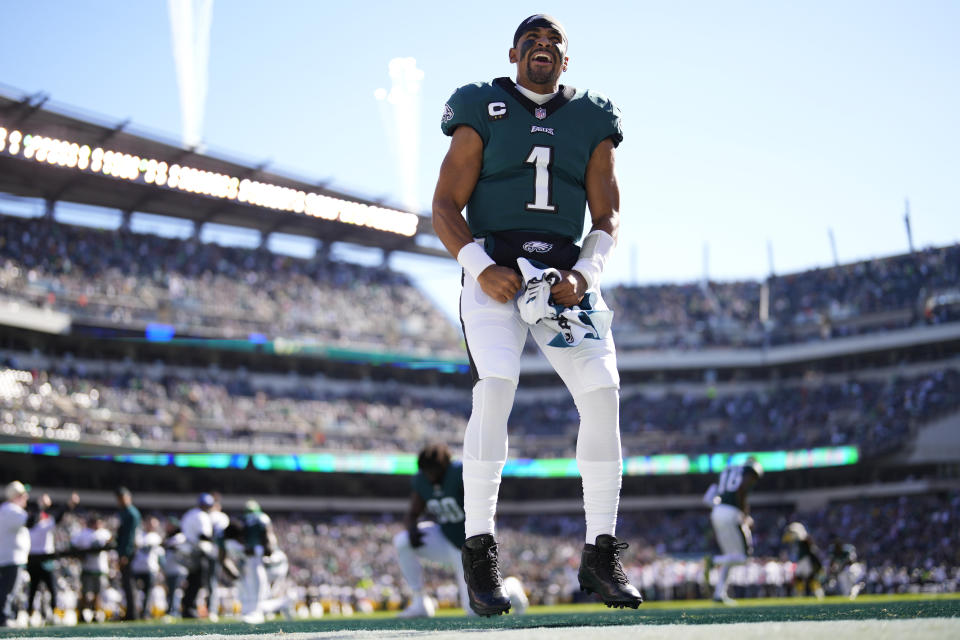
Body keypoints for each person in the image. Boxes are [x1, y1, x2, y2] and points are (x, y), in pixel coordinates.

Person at [431, 14, 640, 615]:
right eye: (532, 40)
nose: (542, 46)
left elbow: (607, 217)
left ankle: (601, 554)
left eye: (554, 42)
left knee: (603, 393)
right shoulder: (481, 104)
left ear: (566, 61)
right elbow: (445, 203)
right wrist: (477, 264)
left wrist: (584, 275)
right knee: (494, 388)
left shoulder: (594, 117)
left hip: (562, 277)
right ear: (514, 52)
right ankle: (479, 551)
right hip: (497, 265)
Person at [394, 443, 527, 618]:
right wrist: (411, 529)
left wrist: (482, 545)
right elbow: (412, 513)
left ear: (444, 466)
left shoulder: (460, 473)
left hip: (470, 545)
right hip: (446, 537)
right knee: (402, 541)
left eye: (433, 470)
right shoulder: (421, 480)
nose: (430, 475)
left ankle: (511, 588)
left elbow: (485, 507)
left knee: (474, 609)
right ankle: (420, 602)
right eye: (426, 471)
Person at [703, 457, 763, 604]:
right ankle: (712, 561)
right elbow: (741, 490)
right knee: (744, 558)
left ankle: (719, 593)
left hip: (717, 512)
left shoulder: (729, 470)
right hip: (732, 514)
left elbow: (708, 497)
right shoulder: (746, 472)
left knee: (730, 557)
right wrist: (745, 515)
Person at [26, 491, 79, 625]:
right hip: (38, 559)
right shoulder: (37, 524)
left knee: (45, 588)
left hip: (40, 559)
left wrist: (68, 505)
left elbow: (57, 515)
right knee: (41, 589)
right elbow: (57, 515)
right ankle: (34, 614)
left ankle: (47, 613)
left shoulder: (39, 524)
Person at [70, 513, 112, 623]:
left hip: (101, 568)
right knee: (85, 594)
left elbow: (111, 542)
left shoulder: (104, 533)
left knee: (98, 594)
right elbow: (73, 545)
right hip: (87, 567)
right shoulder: (83, 533)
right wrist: (79, 555)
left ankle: (96, 613)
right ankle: (82, 613)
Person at [180, 493, 216, 618]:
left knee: (192, 580)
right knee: (197, 581)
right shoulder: (201, 516)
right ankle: (190, 608)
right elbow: (203, 535)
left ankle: (188, 607)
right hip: (198, 551)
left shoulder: (190, 513)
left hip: (189, 551)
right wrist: (216, 538)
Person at [0, 481, 31, 627]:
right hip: (11, 558)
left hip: (7, 557)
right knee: (8, 590)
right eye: (23, 495)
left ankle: (6, 615)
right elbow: (31, 521)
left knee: (8, 589)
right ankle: (4, 617)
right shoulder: (12, 509)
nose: (26, 498)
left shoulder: (5, 509)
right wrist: (42, 507)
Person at [114, 487, 142, 621]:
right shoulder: (125, 512)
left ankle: (132, 613)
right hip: (124, 551)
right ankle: (130, 612)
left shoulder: (131, 513)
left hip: (128, 553)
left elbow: (129, 537)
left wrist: (125, 554)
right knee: (126, 584)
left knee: (129, 583)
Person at [131, 516, 165, 619]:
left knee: (148, 593)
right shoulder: (139, 535)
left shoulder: (156, 537)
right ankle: (135, 612)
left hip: (150, 568)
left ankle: (145, 613)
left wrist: (161, 568)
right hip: (137, 567)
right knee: (135, 592)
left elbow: (160, 555)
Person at [782, 522, 825, 599]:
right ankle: (803, 593)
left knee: (806, 577)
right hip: (801, 560)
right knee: (803, 578)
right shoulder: (797, 540)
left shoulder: (804, 538)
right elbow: (785, 539)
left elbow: (810, 544)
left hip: (806, 560)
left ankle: (817, 592)